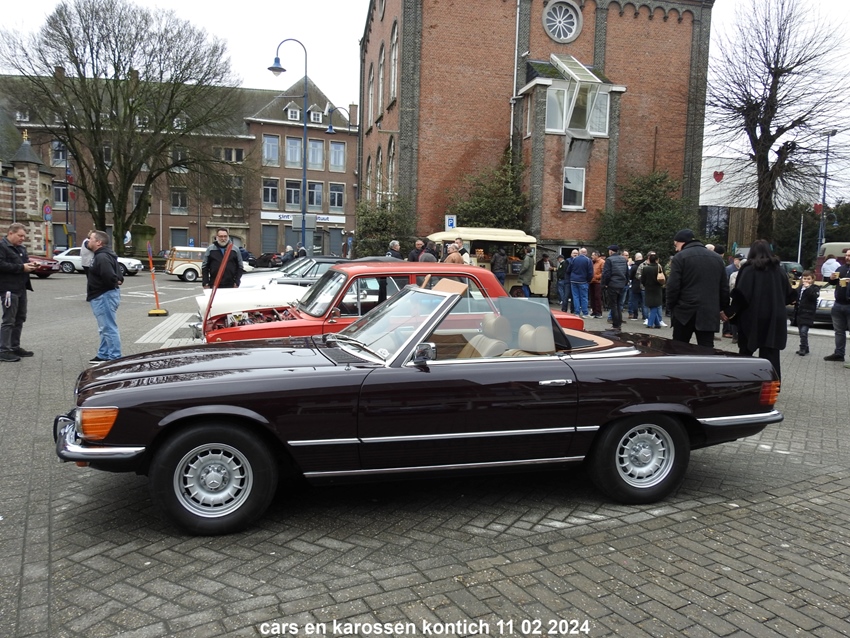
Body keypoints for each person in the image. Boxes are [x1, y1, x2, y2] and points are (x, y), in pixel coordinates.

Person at [727, 239, 794, 378]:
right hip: (774, 317)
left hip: (751, 317)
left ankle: (745, 381)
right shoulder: (779, 271)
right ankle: (772, 382)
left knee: (746, 352)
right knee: (771, 354)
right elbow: (789, 295)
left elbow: (741, 296)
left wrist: (730, 312)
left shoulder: (748, 270)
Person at [666, 229, 728, 348]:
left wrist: (671, 306)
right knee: (706, 349)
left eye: (676, 245)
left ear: (682, 242)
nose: (676, 249)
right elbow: (724, 287)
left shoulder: (680, 257)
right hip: (709, 312)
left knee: (679, 348)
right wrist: (722, 308)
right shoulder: (717, 258)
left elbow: (673, 286)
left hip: (684, 312)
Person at [0, 223, 38, 362]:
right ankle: (3, 350)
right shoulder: (2, 247)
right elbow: (2, 265)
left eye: (24, 236)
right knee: (9, 320)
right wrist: (21, 267)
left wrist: (31, 266)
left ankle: (14, 346)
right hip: (9, 289)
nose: (22, 239)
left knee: (20, 318)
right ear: (10, 233)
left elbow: (24, 263)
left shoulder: (21, 248)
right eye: (20, 236)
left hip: (21, 288)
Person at [86, 230, 123, 364]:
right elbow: (119, 276)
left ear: (98, 242)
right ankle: (104, 354)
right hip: (104, 295)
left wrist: (112, 283)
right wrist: (117, 281)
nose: (88, 241)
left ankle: (115, 358)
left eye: (90, 239)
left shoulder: (102, 257)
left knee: (108, 328)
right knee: (104, 328)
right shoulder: (105, 255)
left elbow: (110, 276)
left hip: (103, 295)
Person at [824, 249, 850, 362]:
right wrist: (831, 279)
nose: (847, 257)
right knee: (839, 331)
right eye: (847, 255)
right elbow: (833, 283)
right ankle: (839, 354)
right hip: (838, 304)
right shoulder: (841, 268)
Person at [792, 270, 819, 356]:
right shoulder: (800, 288)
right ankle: (806, 347)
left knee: (804, 331)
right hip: (799, 313)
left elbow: (813, 297)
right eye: (804, 278)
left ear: (812, 279)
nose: (806, 281)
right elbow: (795, 296)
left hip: (808, 313)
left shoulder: (814, 288)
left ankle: (802, 348)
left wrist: (808, 288)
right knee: (801, 332)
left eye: (808, 279)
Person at [601, 245, 629, 329]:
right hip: (622, 284)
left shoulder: (609, 260)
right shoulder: (623, 259)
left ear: (611, 251)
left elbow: (606, 273)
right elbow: (627, 272)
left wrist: (605, 284)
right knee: (619, 304)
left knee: (613, 305)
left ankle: (615, 324)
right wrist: (626, 282)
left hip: (613, 284)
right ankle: (619, 323)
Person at [639, 252, 664, 328]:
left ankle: (657, 324)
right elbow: (664, 277)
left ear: (649, 259)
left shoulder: (645, 268)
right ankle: (650, 323)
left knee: (651, 306)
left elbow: (642, 279)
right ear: (657, 260)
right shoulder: (659, 268)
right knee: (655, 306)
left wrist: (645, 285)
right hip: (657, 289)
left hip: (648, 288)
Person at [569, 248, 593, 317]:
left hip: (574, 280)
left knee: (575, 297)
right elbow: (590, 272)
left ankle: (577, 312)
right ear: (586, 253)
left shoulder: (574, 259)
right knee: (584, 297)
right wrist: (588, 280)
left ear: (579, 252)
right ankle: (585, 313)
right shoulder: (588, 260)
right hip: (583, 281)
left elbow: (569, 269)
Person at [628, 252, 644, 320]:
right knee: (643, 302)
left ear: (635, 258)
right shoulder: (645, 265)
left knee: (635, 301)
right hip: (643, 285)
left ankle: (635, 315)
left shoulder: (634, 267)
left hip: (635, 285)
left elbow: (630, 276)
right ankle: (645, 316)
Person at [590, 251, 604, 317]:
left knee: (597, 297)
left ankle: (598, 312)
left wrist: (596, 277)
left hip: (598, 282)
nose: (591, 256)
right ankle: (594, 311)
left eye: (593, 255)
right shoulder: (592, 262)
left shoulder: (602, 262)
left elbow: (603, 272)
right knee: (592, 297)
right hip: (591, 281)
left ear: (596, 256)